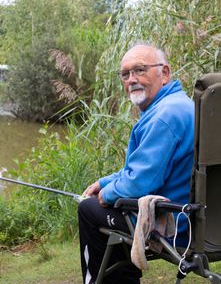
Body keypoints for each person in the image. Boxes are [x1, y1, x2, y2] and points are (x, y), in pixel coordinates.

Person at [78, 42, 195, 284]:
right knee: (106, 202)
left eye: (140, 70)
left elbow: (138, 184)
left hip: (175, 224)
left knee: (89, 209)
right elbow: (143, 167)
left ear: (164, 73)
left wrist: (106, 193)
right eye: (125, 74)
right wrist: (105, 181)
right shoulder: (182, 105)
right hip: (196, 216)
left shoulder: (163, 117)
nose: (131, 79)